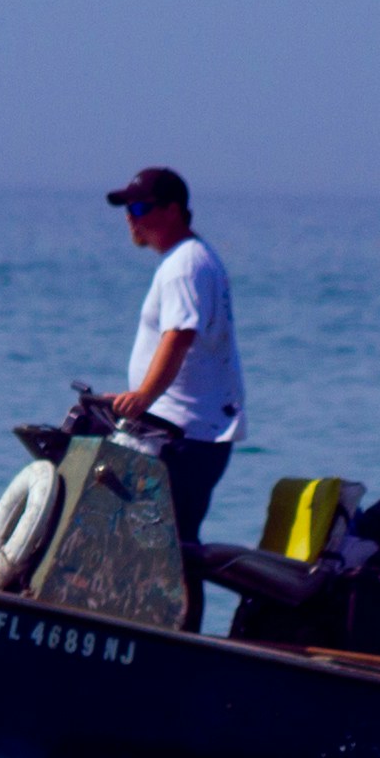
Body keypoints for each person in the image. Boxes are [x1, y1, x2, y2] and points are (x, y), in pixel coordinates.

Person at [102, 167, 245, 554]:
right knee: (170, 545)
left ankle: (172, 617)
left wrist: (144, 395)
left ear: (174, 210)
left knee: (171, 548)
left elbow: (180, 336)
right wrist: (138, 399)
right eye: (127, 208)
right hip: (186, 429)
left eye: (141, 207)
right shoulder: (189, 259)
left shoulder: (185, 266)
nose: (131, 217)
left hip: (187, 436)